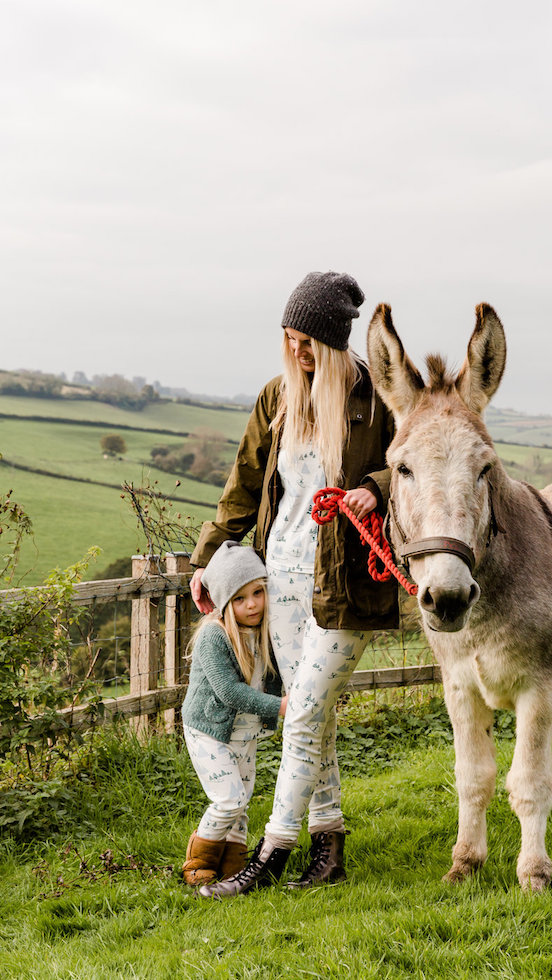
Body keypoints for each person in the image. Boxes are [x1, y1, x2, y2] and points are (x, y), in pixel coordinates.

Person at [189, 270, 398, 897]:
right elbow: (243, 487)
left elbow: (410, 467)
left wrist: (375, 489)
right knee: (316, 715)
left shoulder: (375, 400)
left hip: (346, 583)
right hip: (277, 580)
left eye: (309, 341)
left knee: (303, 710)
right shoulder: (276, 398)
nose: (298, 351)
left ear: (336, 344)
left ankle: (271, 853)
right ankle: (327, 848)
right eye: (289, 338)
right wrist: (209, 562)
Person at [181, 540, 287, 886]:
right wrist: (280, 707)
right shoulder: (215, 635)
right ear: (225, 602)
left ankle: (233, 864)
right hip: (209, 730)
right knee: (228, 798)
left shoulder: (269, 633)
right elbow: (229, 691)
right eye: (240, 599)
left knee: (242, 800)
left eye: (258, 592)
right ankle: (199, 860)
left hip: (246, 731)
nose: (252, 604)